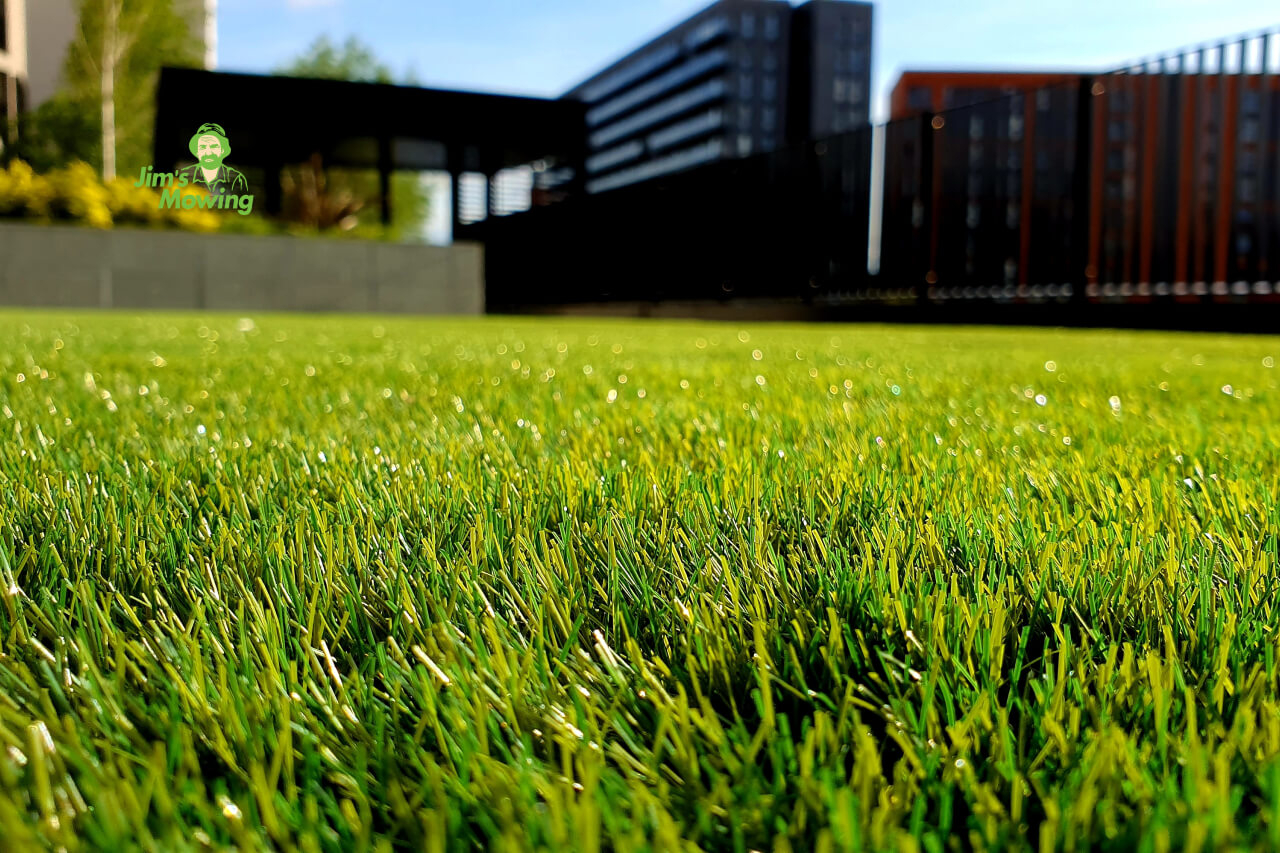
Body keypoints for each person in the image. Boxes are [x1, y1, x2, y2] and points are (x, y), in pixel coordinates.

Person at [178, 123, 249, 196]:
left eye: (214, 147)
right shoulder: (183, 175)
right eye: (203, 147)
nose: (208, 153)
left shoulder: (237, 178)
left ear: (223, 150)